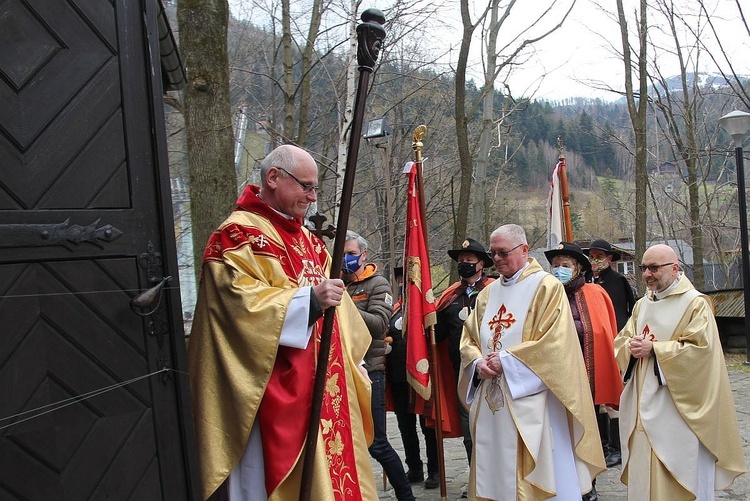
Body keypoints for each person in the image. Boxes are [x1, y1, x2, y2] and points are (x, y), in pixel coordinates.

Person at [187, 145, 377, 501]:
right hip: (272, 390)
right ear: (273, 178)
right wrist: (307, 303)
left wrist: (354, 363)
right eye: (305, 186)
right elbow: (236, 308)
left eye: (315, 187)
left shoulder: (308, 240)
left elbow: (339, 310)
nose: (312, 196)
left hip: (326, 387)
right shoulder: (238, 235)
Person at [458, 224, 605, 500]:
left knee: (543, 474)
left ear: (524, 250)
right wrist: (477, 363)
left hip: (535, 401)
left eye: (504, 252)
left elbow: (556, 344)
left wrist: (508, 361)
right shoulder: (487, 294)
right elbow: (469, 338)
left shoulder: (546, 287)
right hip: (492, 400)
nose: (497, 259)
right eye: (494, 253)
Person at [613, 244, 746, 500]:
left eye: (654, 268)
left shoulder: (695, 304)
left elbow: (701, 353)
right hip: (643, 404)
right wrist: (630, 346)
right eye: (643, 268)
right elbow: (623, 339)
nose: (647, 274)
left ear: (675, 268)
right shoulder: (642, 305)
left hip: (678, 407)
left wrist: (655, 349)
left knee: (678, 475)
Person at [545, 242, 624, 500]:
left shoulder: (595, 294)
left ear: (579, 268)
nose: (559, 270)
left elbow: (605, 333)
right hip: (554, 378)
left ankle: (589, 484)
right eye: (555, 265)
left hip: (586, 377)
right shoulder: (544, 295)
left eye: (565, 265)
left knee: (587, 433)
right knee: (558, 434)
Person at [342, 231, 415, 501]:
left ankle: (407, 496)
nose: (346, 259)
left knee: (376, 443)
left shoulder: (377, 284)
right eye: (343, 253)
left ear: (363, 255)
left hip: (370, 371)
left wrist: (343, 305)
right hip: (342, 371)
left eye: (351, 253)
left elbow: (378, 324)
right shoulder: (336, 282)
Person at [433, 238, 494, 467]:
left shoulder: (493, 290)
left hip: (491, 369)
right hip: (462, 372)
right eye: (461, 261)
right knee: (469, 428)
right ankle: (475, 478)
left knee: (493, 425)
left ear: (481, 264)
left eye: (469, 260)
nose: (464, 264)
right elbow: (438, 335)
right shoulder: (451, 295)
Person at [386, 266, 439, 489]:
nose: (403, 283)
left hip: (421, 375)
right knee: (405, 426)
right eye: (401, 279)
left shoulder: (427, 308)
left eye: (407, 278)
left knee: (427, 426)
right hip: (398, 376)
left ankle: (435, 471)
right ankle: (414, 467)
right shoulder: (393, 310)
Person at [584, 238, 636, 468]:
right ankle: (603, 443)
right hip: (592, 346)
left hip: (614, 341)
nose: (595, 260)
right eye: (592, 255)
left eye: (599, 256)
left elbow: (629, 310)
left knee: (613, 397)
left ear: (609, 258)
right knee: (597, 396)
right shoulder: (586, 281)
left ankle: (618, 447)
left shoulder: (618, 280)